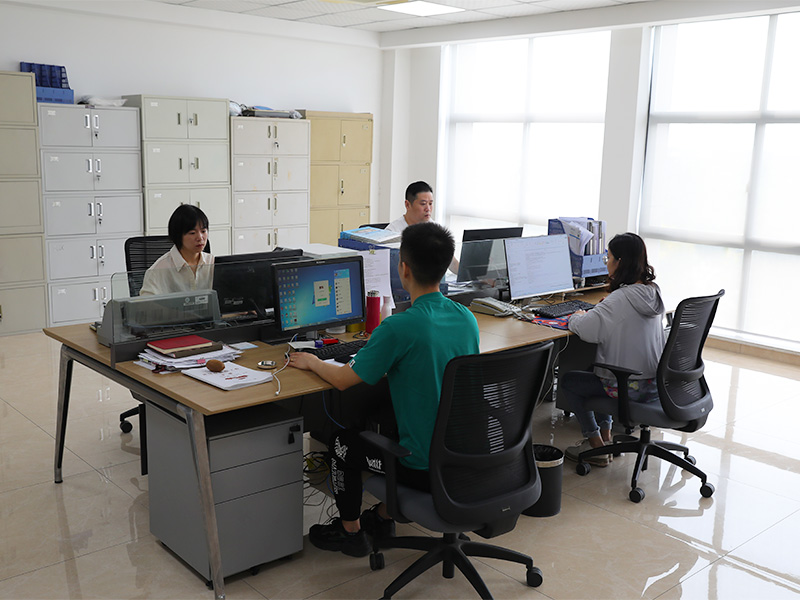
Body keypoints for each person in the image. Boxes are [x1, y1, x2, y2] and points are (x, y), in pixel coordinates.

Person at [288, 222, 480, 557]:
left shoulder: (398, 327)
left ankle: (350, 532)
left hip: (423, 466)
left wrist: (312, 361)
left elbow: (344, 380)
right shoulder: (466, 318)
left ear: (403, 269)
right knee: (385, 416)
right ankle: (382, 516)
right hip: (466, 458)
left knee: (343, 443)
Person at [562, 232, 666, 467]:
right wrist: (604, 310)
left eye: (608, 257)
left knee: (570, 381)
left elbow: (587, 330)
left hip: (628, 387)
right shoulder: (652, 291)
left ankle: (596, 446)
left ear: (620, 262)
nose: (606, 262)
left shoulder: (619, 299)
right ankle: (606, 437)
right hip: (654, 384)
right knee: (599, 372)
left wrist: (577, 315)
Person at [139, 204, 214, 296]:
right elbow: (147, 303)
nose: (200, 237)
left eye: (203, 231)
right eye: (192, 233)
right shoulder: (158, 270)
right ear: (178, 235)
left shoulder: (213, 263)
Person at [387, 181, 458, 274]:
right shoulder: (392, 232)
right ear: (407, 205)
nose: (428, 209)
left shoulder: (436, 229)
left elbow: (452, 263)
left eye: (430, 203)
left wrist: (469, 275)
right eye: (423, 204)